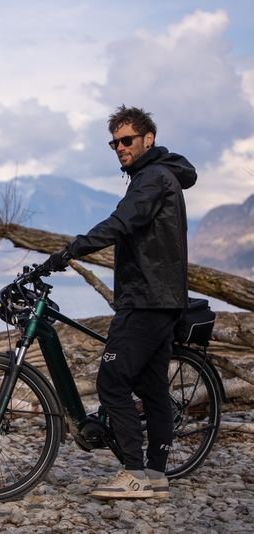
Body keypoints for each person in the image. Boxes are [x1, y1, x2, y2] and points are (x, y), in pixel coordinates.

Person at [44, 106, 197, 500]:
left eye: (126, 140)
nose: (119, 148)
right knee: (152, 388)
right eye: (114, 143)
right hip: (159, 298)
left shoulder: (152, 179)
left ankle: (132, 473)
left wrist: (71, 250)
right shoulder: (158, 177)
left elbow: (121, 222)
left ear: (148, 139)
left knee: (112, 382)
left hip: (146, 299)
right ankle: (156, 475)